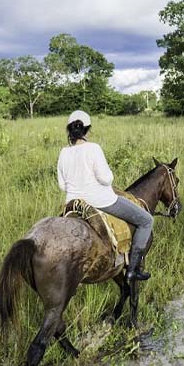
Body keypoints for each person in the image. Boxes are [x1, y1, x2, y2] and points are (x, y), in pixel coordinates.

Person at [58, 110, 154, 281]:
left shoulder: (64, 152)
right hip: (100, 201)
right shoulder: (94, 148)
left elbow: (61, 185)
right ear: (87, 130)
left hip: (72, 204)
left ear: (69, 130)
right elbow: (106, 179)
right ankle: (133, 269)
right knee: (146, 220)